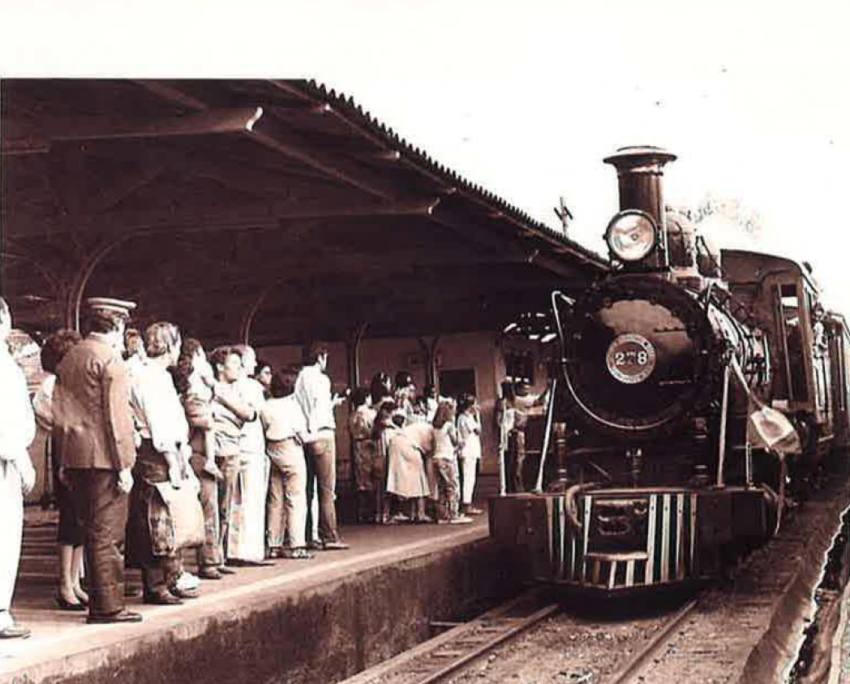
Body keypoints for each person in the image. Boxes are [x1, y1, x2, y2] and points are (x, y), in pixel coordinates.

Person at [54, 296, 140, 624]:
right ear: (117, 325)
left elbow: (60, 414)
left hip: (75, 458)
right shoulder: (111, 360)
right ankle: (107, 606)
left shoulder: (69, 358)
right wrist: (125, 465)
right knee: (109, 534)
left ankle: (100, 600)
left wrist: (62, 460)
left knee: (89, 530)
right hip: (105, 459)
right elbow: (118, 420)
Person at [127, 321, 196, 605]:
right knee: (157, 518)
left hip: (164, 451)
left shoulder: (151, 374)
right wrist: (174, 462)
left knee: (165, 517)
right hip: (158, 453)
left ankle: (169, 576)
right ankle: (155, 585)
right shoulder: (151, 378)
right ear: (170, 345)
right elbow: (160, 425)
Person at [34, 328, 88, 610]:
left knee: (80, 519)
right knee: (70, 519)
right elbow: (59, 423)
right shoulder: (51, 386)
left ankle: (75, 581)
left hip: (73, 450)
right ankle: (65, 584)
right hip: (64, 453)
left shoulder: (64, 383)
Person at [0, 297, 37, 638]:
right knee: (4, 533)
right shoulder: (5, 367)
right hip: (2, 463)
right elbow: (10, 425)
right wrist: (23, 461)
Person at [173, 339, 225, 580]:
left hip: (182, 451)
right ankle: (209, 561)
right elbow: (207, 424)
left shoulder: (177, 380)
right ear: (197, 355)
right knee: (208, 507)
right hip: (199, 452)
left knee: (181, 510)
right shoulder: (197, 389)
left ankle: (181, 566)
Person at [294, 342, 349, 550]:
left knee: (308, 489)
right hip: (323, 434)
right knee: (327, 490)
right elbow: (319, 408)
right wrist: (316, 429)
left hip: (306, 437)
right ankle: (330, 536)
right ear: (320, 357)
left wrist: (308, 433)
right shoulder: (322, 379)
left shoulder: (300, 378)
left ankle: (309, 536)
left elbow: (305, 406)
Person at [210, 346, 257, 570]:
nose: (239, 369)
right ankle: (211, 557)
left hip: (231, 449)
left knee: (224, 506)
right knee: (213, 506)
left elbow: (249, 414)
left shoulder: (230, 390)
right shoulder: (209, 389)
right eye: (234, 364)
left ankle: (219, 554)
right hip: (215, 451)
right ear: (220, 366)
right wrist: (235, 412)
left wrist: (223, 399)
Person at [262, 368, 313, 559]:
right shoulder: (292, 406)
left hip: (272, 450)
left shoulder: (265, 406)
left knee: (275, 500)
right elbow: (303, 436)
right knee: (296, 499)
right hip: (291, 450)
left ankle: (273, 545)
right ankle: (296, 545)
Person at [227, 344, 270, 566]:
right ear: (243, 361)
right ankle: (251, 551)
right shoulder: (253, 386)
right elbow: (263, 416)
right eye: (252, 359)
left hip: (234, 446)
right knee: (253, 499)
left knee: (234, 500)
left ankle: (232, 550)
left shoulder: (228, 385)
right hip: (252, 447)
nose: (255, 363)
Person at [386, 417, 434, 523]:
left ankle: (404, 513)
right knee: (419, 479)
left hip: (395, 444)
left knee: (397, 480)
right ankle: (420, 513)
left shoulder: (420, 425)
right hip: (409, 446)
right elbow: (428, 451)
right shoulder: (431, 431)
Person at [432, 400, 471, 525]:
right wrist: (462, 443)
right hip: (447, 458)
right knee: (453, 487)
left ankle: (442, 515)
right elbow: (455, 442)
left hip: (436, 458)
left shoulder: (435, 428)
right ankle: (454, 514)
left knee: (442, 488)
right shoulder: (449, 425)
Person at [348, 387, 378, 522]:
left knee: (361, 479)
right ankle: (372, 511)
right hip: (368, 444)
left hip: (356, 445)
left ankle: (361, 511)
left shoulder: (352, 414)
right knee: (372, 477)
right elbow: (372, 429)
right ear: (366, 398)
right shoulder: (370, 413)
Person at [457, 394, 483, 516]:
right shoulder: (465, 418)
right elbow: (478, 430)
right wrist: (477, 416)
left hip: (470, 451)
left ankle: (467, 502)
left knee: (470, 478)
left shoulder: (465, 417)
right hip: (468, 451)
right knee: (468, 478)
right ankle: (466, 503)